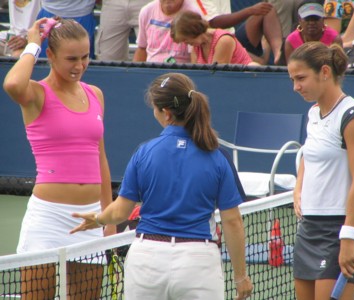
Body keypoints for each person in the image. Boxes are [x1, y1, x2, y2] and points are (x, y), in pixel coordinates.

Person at [70, 72, 254, 300]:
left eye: (155, 109)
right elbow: (232, 222)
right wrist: (240, 277)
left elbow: (120, 212)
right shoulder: (218, 157)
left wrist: (97, 219)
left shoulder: (144, 153)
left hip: (147, 260)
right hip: (198, 264)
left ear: (166, 113)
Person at [3, 17, 115, 299]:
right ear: (50, 55)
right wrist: (32, 43)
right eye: (71, 59)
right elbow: (12, 83)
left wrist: (109, 216)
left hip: (91, 219)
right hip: (47, 219)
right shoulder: (36, 93)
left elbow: (100, 157)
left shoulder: (96, 94)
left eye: (85, 57)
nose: (80, 66)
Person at [287, 41, 354, 300]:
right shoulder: (314, 113)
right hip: (308, 229)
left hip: (340, 230)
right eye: (293, 79)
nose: (296, 87)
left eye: (301, 78)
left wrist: (348, 238)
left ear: (324, 72)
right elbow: (309, 153)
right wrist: (298, 187)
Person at [193, 0, 284, 65]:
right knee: (257, 64)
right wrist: (250, 10)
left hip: (233, 38)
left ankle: (279, 55)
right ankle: (261, 58)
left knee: (266, 9)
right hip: (218, 42)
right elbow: (214, 22)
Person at [170, 11, 256, 65]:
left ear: (194, 31)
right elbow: (196, 75)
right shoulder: (196, 47)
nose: (185, 43)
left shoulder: (224, 40)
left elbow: (217, 76)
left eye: (185, 39)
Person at [133, 0, 201, 63]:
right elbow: (142, 48)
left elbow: (196, 53)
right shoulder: (147, 11)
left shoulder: (194, 13)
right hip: (152, 68)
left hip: (182, 70)